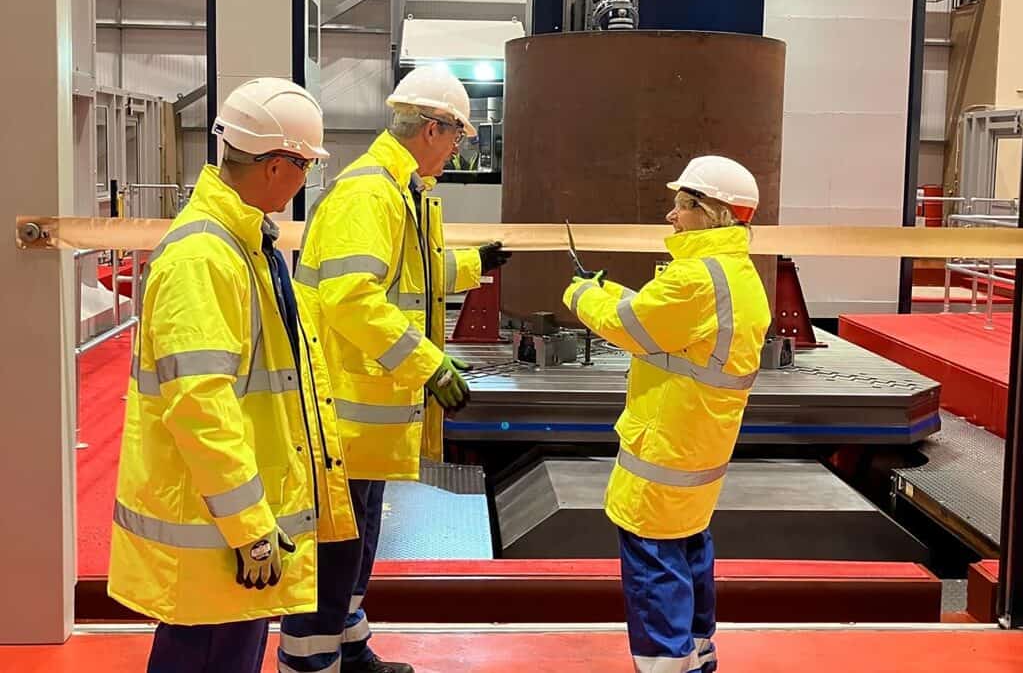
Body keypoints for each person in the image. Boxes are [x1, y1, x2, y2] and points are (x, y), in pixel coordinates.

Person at [108, 77, 357, 673]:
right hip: (216, 528)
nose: (304, 183)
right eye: (304, 168)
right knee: (207, 655)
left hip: (226, 522)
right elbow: (201, 406)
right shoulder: (205, 259)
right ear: (277, 166)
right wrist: (249, 528)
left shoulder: (244, 246)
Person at [279, 65, 511, 673]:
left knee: (359, 540)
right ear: (431, 129)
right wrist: (428, 366)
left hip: (370, 410)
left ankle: (349, 650)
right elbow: (354, 297)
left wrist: (472, 264)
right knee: (336, 545)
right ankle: (310, 662)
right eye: (458, 135)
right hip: (344, 408)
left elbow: (411, 278)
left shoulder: (402, 189)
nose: (460, 148)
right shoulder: (370, 194)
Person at [562, 156, 771, 673]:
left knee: (653, 559)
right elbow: (665, 323)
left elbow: (631, 327)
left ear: (712, 213)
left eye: (681, 204)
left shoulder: (695, 277)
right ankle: (697, 656)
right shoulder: (734, 273)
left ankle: (664, 663)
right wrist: (613, 291)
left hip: (664, 445)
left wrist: (582, 293)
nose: (671, 216)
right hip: (700, 447)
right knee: (689, 548)